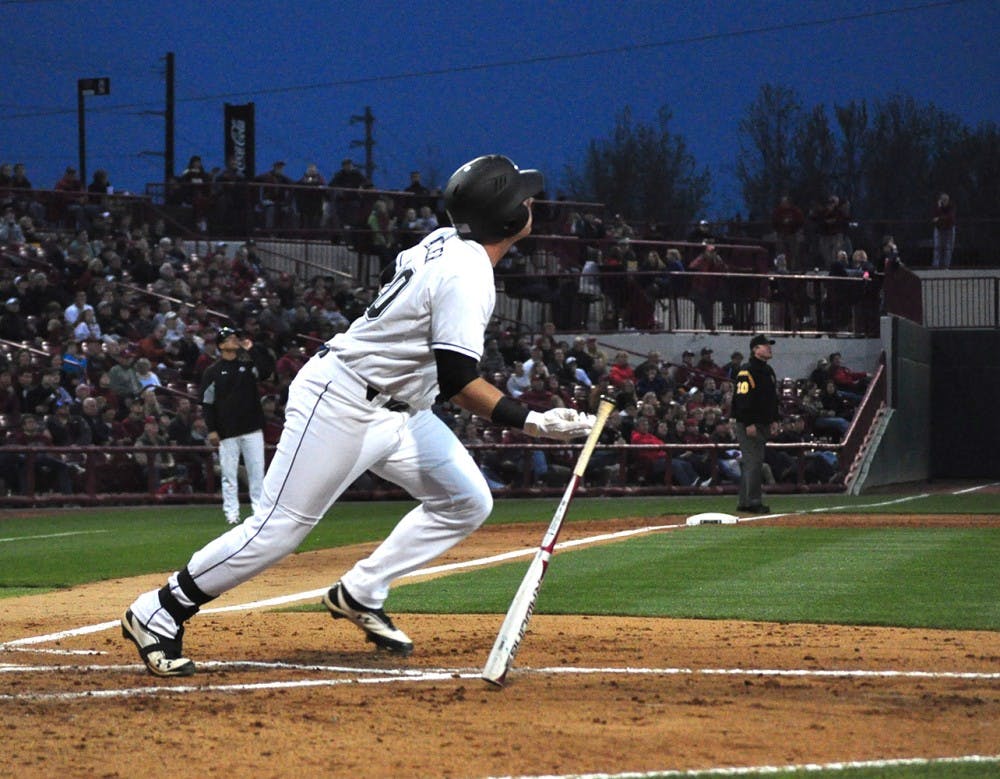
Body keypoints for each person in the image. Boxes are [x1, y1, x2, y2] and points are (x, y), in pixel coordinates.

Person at [121, 154, 593, 677]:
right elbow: (459, 381)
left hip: (400, 409)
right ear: (506, 219)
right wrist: (531, 420)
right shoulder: (468, 273)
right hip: (344, 399)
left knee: (465, 500)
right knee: (278, 529)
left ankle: (361, 590)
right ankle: (158, 610)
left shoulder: (445, 241)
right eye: (522, 198)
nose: (531, 202)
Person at [200, 326, 268, 525]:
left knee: (257, 473)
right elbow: (207, 402)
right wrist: (211, 428)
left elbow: (265, 371)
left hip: (252, 427)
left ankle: (259, 511)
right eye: (229, 338)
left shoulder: (247, 366)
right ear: (221, 345)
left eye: (235, 338)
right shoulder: (212, 372)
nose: (234, 341)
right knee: (229, 475)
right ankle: (231, 513)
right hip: (226, 430)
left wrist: (251, 350)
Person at [732, 334, 779, 513]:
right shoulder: (747, 371)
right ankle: (753, 501)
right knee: (754, 462)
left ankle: (745, 501)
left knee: (752, 462)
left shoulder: (768, 371)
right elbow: (742, 399)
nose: (769, 348)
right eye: (765, 345)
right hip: (749, 423)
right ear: (755, 349)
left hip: (762, 422)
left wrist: (774, 419)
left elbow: (772, 399)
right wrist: (748, 422)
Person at [932, 193, 956, 269]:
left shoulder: (951, 206)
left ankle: (946, 266)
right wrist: (939, 208)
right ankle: (936, 266)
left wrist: (940, 218)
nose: (945, 202)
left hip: (949, 229)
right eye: (943, 200)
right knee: (937, 247)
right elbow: (934, 218)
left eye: (946, 200)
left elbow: (950, 217)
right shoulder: (937, 207)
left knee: (948, 248)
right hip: (939, 229)